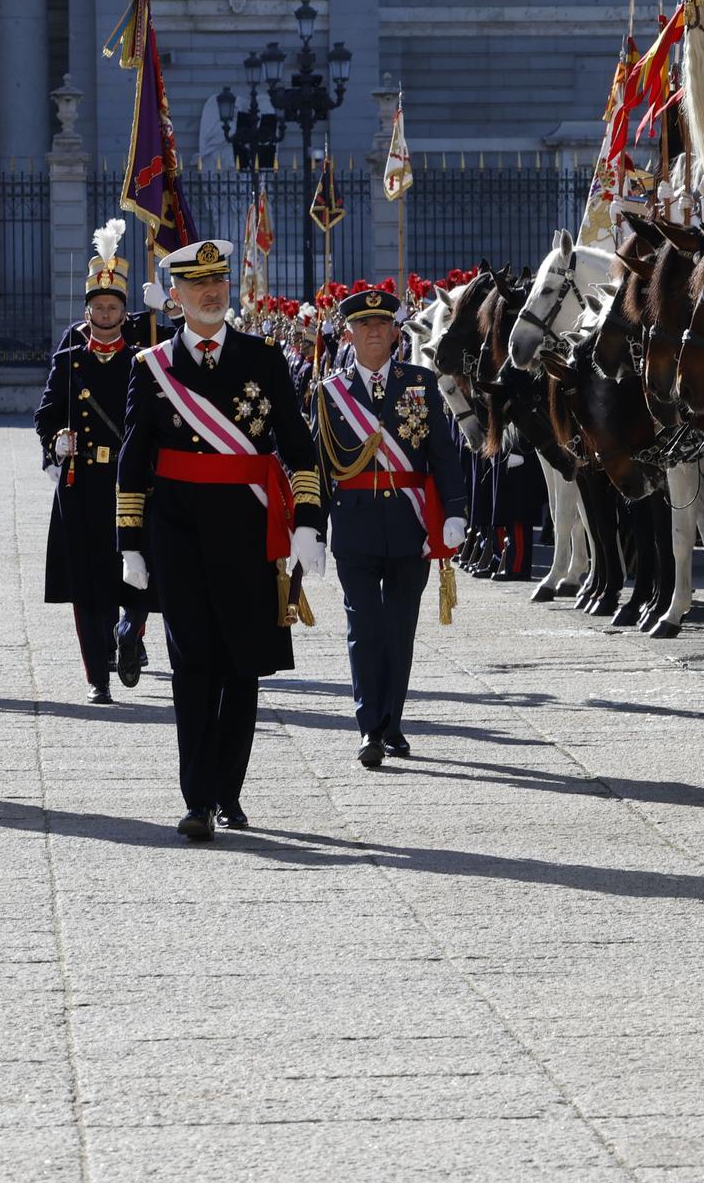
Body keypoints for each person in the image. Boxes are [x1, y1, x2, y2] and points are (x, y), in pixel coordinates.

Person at [116, 239, 324, 841]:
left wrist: (308, 520)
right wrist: (130, 542)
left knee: (242, 665)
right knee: (192, 662)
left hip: (247, 527)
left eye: (219, 283)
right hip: (177, 532)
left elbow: (296, 441)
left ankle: (229, 788)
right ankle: (198, 798)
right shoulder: (150, 366)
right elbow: (135, 458)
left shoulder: (263, 358)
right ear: (175, 296)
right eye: (198, 286)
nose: (212, 293)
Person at [309, 287, 467, 769]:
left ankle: (391, 722)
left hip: (409, 523)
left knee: (399, 630)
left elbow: (443, 452)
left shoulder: (420, 382)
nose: (374, 332)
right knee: (364, 627)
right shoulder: (329, 393)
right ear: (349, 334)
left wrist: (455, 512)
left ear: (396, 332)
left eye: (382, 324)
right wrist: (311, 528)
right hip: (354, 524)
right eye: (364, 325)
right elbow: (316, 464)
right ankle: (368, 727)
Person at [34, 220, 152, 704]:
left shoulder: (144, 360)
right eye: (98, 307)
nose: (105, 314)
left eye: (114, 307)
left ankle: (129, 633)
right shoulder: (69, 361)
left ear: (124, 314)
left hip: (130, 482)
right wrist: (54, 444)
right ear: (87, 312)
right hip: (82, 483)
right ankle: (96, 676)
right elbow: (44, 416)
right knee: (87, 582)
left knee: (139, 569)